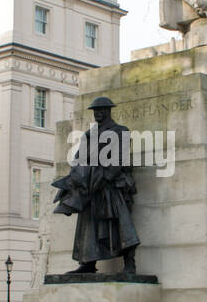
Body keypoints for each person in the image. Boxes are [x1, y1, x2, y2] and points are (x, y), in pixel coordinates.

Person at [51, 97, 140, 274]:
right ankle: (88, 263)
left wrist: (106, 177)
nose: (98, 113)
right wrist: (78, 178)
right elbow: (78, 158)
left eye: (102, 110)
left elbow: (120, 159)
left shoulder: (120, 131)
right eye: (95, 110)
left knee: (122, 224)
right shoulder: (89, 135)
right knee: (89, 226)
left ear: (109, 111)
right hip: (92, 186)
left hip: (111, 185)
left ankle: (130, 264)